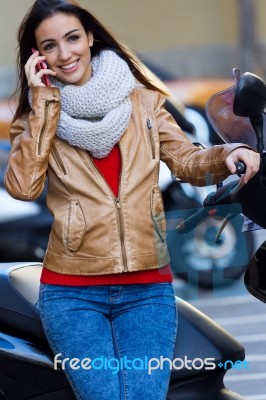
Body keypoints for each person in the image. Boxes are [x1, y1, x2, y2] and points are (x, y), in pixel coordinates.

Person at [5, 0, 260, 399]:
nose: (65, 53)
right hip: (71, 296)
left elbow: (188, 160)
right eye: (50, 45)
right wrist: (42, 106)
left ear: (90, 37)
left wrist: (228, 156)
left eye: (72, 38)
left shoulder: (143, 102)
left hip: (146, 292)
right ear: (38, 56)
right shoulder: (36, 115)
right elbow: (22, 186)